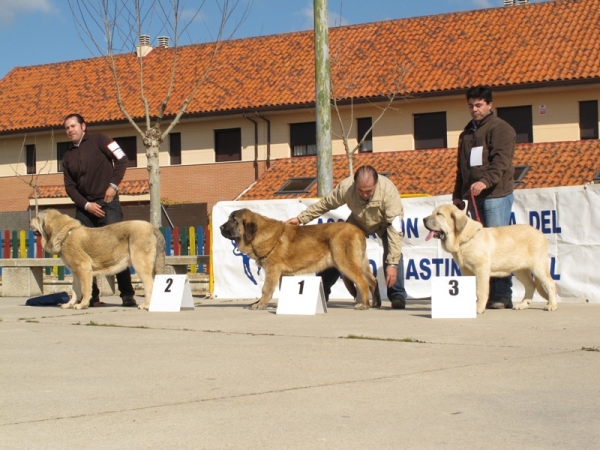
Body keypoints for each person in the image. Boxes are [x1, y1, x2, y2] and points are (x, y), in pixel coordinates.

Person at [286, 165, 408, 309]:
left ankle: (397, 295)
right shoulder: (346, 187)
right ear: (355, 184)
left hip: (385, 224)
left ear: (376, 183)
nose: (364, 195)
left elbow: (395, 230)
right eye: (360, 191)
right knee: (333, 249)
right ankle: (322, 291)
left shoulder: (389, 192)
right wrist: (301, 219)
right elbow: (325, 204)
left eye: (369, 191)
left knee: (393, 253)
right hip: (358, 221)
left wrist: (392, 264)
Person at [62, 113, 137, 307]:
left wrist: (113, 185)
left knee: (117, 249)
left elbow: (122, 159)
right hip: (85, 209)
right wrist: (86, 205)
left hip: (108, 203)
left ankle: (127, 294)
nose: (70, 130)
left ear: (83, 126)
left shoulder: (101, 139)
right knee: (84, 253)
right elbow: (70, 187)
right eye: (67, 128)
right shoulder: (67, 156)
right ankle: (92, 297)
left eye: (73, 126)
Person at [452, 85, 516, 309]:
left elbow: (501, 163)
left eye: (479, 105)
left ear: (489, 105)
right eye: (471, 105)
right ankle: (481, 296)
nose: (474, 109)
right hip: (472, 197)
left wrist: (486, 181)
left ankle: (501, 294)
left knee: (496, 248)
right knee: (476, 249)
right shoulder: (467, 132)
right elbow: (462, 169)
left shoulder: (501, 129)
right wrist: (458, 195)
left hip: (496, 196)